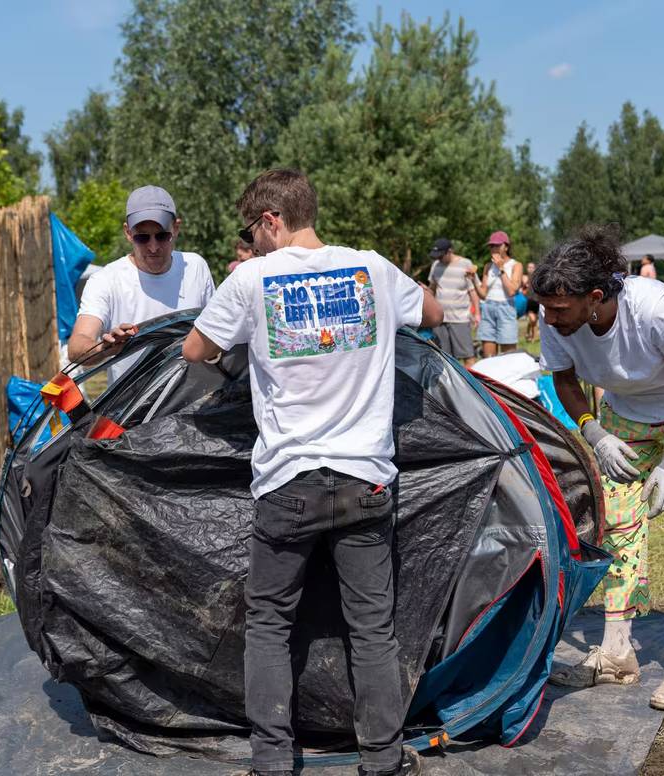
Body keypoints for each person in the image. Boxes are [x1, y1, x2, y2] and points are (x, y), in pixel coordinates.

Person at [182, 169, 441, 776]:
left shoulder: (251, 278)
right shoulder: (372, 268)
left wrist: (241, 347)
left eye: (253, 229)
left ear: (272, 220)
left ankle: (271, 763)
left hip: (287, 481)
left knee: (270, 624)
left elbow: (196, 350)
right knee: (372, 628)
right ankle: (383, 761)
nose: (254, 240)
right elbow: (432, 312)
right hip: (366, 478)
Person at [536, 225, 664, 713]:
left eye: (560, 310)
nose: (550, 319)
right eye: (547, 308)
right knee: (618, 527)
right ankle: (617, 652)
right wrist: (593, 432)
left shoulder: (652, 308)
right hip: (625, 414)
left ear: (595, 297)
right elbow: (564, 378)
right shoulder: (554, 313)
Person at [69, 185, 215, 383]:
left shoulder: (196, 267)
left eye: (162, 235)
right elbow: (76, 348)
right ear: (128, 233)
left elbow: (214, 332)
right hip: (132, 411)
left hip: (192, 405)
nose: (153, 247)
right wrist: (105, 349)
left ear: (176, 228)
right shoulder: (105, 280)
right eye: (142, 237)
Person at [427, 237, 480, 365]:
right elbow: (432, 289)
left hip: (460, 319)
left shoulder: (465, 264)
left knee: (468, 356)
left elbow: (472, 291)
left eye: (441, 255)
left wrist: (477, 313)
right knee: (444, 357)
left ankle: (470, 384)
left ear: (450, 251)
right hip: (440, 320)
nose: (438, 259)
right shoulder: (435, 265)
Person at [470, 230, 523, 356]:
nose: (493, 248)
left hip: (506, 308)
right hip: (488, 308)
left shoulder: (516, 265)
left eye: (497, 245)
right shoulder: (488, 266)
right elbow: (483, 294)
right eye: (491, 246)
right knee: (489, 358)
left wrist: (501, 269)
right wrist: (473, 279)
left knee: (508, 356)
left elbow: (511, 291)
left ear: (506, 246)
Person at [523, 261, 539, 342]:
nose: (531, 269)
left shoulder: (538, 278)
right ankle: (533, 338)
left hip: (537, 301)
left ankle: (530, 334)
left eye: (532, 267)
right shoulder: (524, 277)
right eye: (529, 267)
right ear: (527, 269)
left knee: (534, 320)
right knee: (533, 320)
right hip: (528, 301)